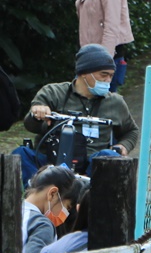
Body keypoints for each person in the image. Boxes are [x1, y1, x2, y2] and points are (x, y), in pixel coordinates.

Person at [19, 45, 139, 186]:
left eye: (111, 76)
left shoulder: (116, 103)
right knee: (21, 153)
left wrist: (123, 146)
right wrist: (38, 114)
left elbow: (132, 131)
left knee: (111, 156)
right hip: (51, 159)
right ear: (84, 73)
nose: (108, 80)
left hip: (92, 163)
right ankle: (37, 195)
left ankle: (88, 197)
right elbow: (30, 125)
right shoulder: (53, 93)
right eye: (103, 74)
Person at [22, 166, 83, 253]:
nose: (65, 215)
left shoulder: (10, 211)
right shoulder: (42, 225)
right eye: (67, 207)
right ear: (53, 194)